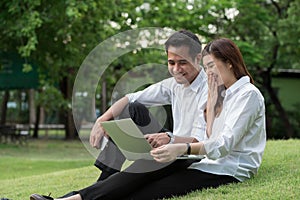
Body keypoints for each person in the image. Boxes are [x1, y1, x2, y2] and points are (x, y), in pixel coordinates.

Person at [30, 38, 266, 200]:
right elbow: (210, 137)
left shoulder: (248, 96)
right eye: (207, 67)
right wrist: (102, 120)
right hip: (197, 158)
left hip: (226, 169)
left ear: (230, 63)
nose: (210, 73)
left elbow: (222, 145)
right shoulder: (217, 93)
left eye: (212, 66)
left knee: (138, 191)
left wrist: (177, 145)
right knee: (133, 177)